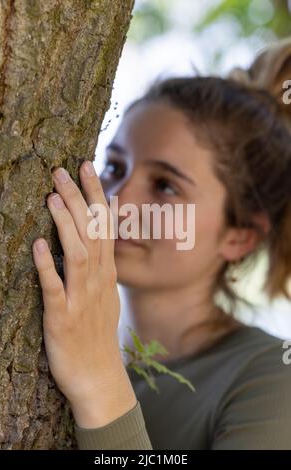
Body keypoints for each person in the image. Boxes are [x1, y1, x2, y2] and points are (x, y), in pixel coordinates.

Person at [32, 38, 291, 450]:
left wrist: (98, 380)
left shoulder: (273, 380)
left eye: (166, 186)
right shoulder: (53, 339)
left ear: (238, 236)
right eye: (115, 166)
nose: (119, 200)